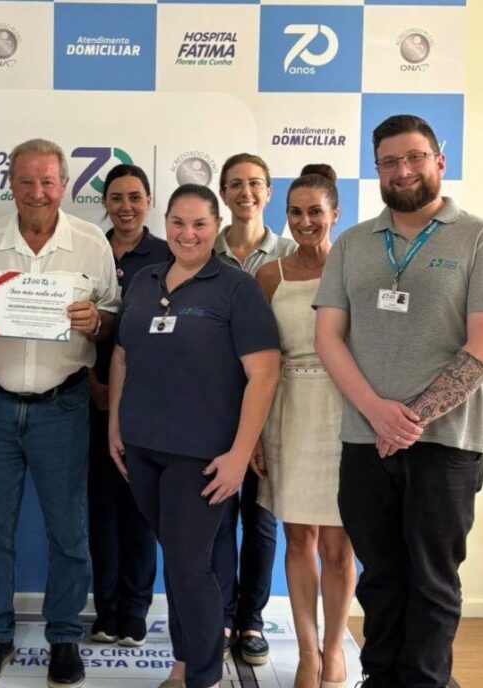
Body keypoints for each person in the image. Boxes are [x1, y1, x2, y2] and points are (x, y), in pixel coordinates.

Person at [314, 114, 483, 688]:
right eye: (390, 161)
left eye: (415, 157)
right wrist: (377, 412)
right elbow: (328, 337)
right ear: (376, 170)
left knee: (433, 580)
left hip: (446, 443)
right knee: (380, 578)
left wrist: (411, 418)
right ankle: (380, 677)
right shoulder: (351, 244)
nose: (403, 170)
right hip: (364, 439)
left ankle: (424, 681)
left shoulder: (482, 238)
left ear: (439, 161)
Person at [0, 138, 119, 688]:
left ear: (64, 184)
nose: (37, 192)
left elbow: (112, 317)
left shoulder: (91, 242)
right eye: (26, 181)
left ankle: (64, 636)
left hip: (62, 406)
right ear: (11, 185)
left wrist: (97, 321)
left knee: (68, 530)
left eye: (47, 181)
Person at [108, 184, 280, 688]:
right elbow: (121, 356)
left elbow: (265, 373)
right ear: (165, 224)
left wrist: (240, 455)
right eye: (178, 223)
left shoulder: (235, 288)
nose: (188, 234)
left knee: (188, 568)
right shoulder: (145, 280)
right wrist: (115, 424)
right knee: (181, 563)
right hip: (142, 449)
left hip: (201, 456)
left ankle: (202, 677)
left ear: (216, 226)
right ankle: (184, 665)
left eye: (200, 224)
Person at [253, 165, 355, 688]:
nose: (305, 221)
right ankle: (308, 653)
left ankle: (335, 650)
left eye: (316, 211)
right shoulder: (269, 275)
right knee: (298, 539)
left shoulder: (355, 266)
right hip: (288, 411)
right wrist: (254, 432)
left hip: (346, 413)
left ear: (335, 213)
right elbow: (258, 359)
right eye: (295, 212)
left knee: (339, 545)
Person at [213, 153, 296, 663]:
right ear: (223, 193)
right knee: (218, 518)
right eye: (236, 184)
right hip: (216, 405)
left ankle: (251, 620)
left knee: (262, 520)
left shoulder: (292, 254)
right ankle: (222, 616)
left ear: (268, 192)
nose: (246, 192)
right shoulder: (205, 251)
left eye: (255, 183)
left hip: (275, 405)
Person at [87, 164, 169, 647]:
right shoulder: (88, 248)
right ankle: (106, 609)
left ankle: (135, 609)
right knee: (101, 510)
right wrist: (93, 383)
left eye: (135, 197)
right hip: (88, 397)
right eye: (116, 197)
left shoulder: (166, 254)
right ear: (105, 203)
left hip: (145, 402)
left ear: (149, 201)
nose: (126, 206)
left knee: (140, 508)